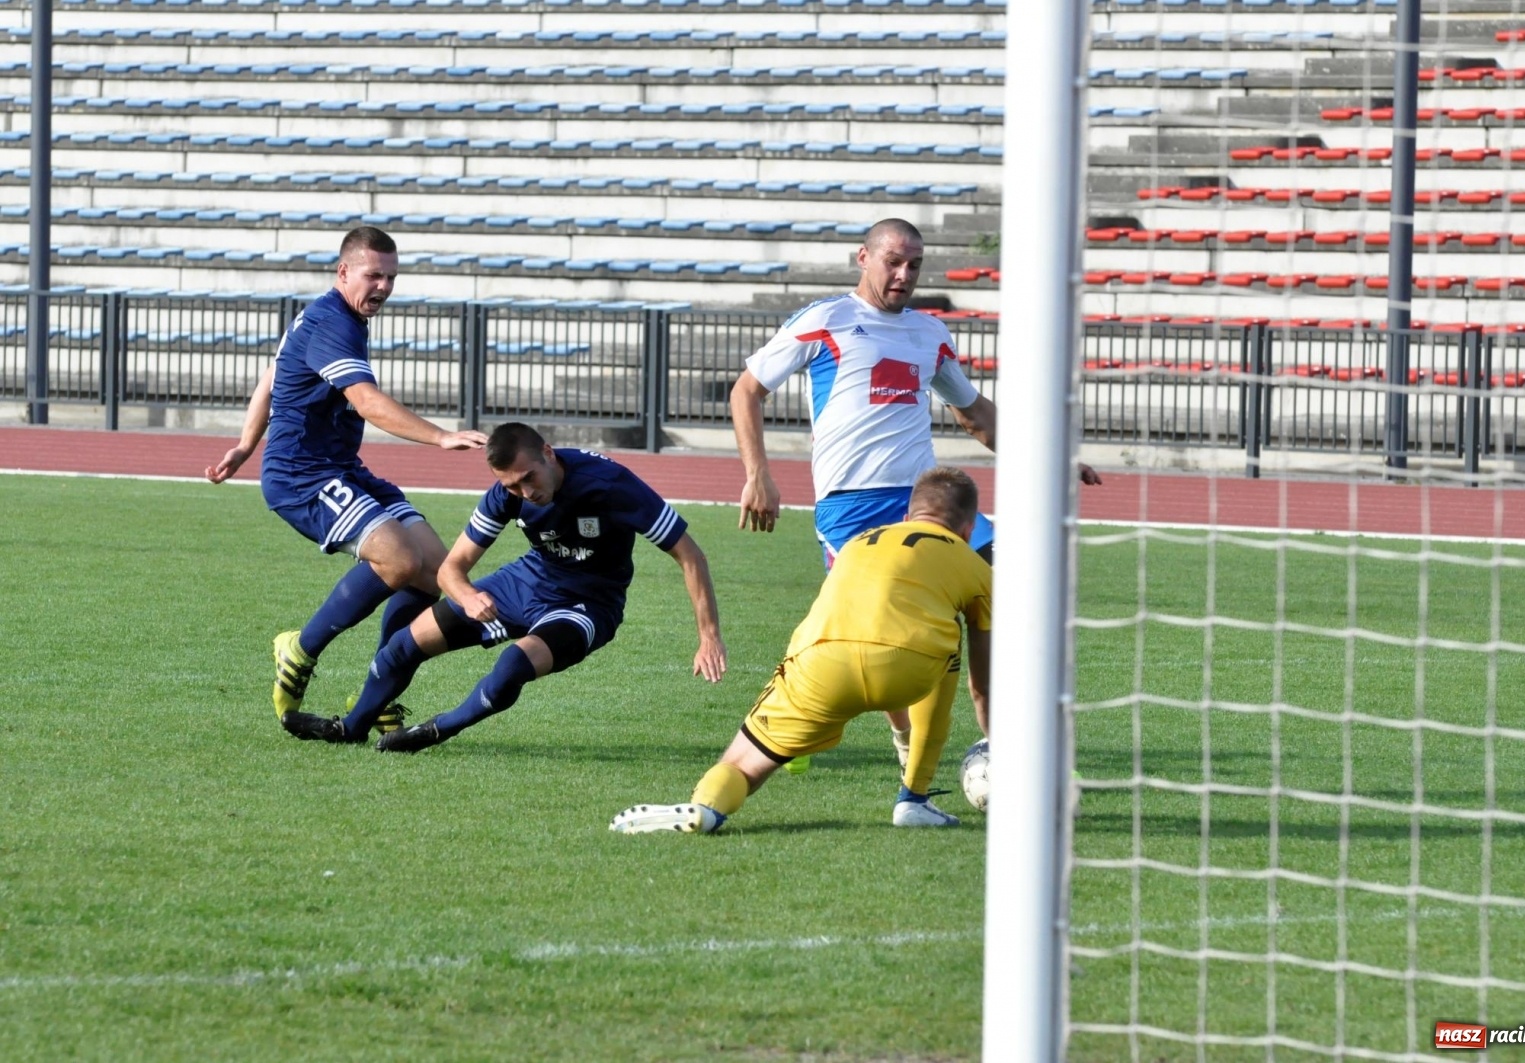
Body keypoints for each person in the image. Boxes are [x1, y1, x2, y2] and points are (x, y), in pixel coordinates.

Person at [728, 217, 1099, 770]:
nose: (904, 274)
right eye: (894, 262)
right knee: (879, 628)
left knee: (1004, 588)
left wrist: (1052, 458)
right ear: (864, 258)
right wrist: (757, 473)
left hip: (929, 501)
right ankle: (897, 740)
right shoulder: (827, 319)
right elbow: (747, 390)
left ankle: (1003, 742)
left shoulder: (930, 334)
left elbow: (975, 416)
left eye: (915, 265)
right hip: (852, 504)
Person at [279, 421, 726, 751]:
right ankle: (351, 729)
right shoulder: (506, 494)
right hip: (525, 583)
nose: (524, 492)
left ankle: (437, 730)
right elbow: (451, 568)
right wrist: (468, 596)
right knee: (402, 645)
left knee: (513, 665)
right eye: (512, 485)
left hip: (588, 604)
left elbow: (690, 555)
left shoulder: (610, 485)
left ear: (548, 453)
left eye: (529, 478)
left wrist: (708, 637)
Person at [206, 226, 489, 729]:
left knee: (436, 572)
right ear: (344, 272)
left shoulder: (333, 316)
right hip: (301, 473)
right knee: (399, 559)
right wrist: (440, 436)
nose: (383, 286)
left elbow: (272, 376)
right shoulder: (333, 322)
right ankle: (300, 647)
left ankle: (378, 694)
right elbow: (367, 402)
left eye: (391, 277)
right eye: (373, 275)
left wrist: (246, 445)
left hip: (340, 468)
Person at [610, 466, 990, 834]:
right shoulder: (976, 566)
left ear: (907, 516)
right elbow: (982, 686)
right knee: (948, 635)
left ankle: (707, 808)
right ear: (968, 530)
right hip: (908, 669)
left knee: (743, 764)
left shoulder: (859, 542)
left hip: (820, 662)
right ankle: (914, 799)